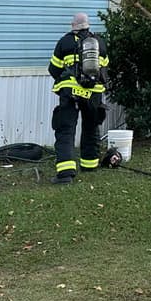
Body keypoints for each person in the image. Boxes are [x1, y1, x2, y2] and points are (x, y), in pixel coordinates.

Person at [48, 12, 109, 184]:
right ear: (88, 25)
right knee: (91, 127)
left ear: (73, 25)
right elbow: (104, 69)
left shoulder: (64, 42)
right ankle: (90, 164)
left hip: (70, 92)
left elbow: (54, 69)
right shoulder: (100, 43)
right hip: (93, 93)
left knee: (65, 128)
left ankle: (65, 174)